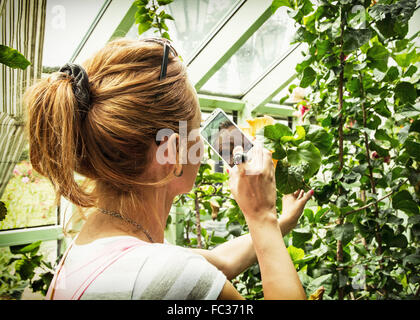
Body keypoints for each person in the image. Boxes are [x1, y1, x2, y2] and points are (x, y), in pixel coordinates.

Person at [24, 37, 313, 300]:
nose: (203, 143)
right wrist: (261, 215)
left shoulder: (90, 248)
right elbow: (186, 274)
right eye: (197, 130)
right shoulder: (167, 276)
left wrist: (279, 222)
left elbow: (221, 261)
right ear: (171, 153)